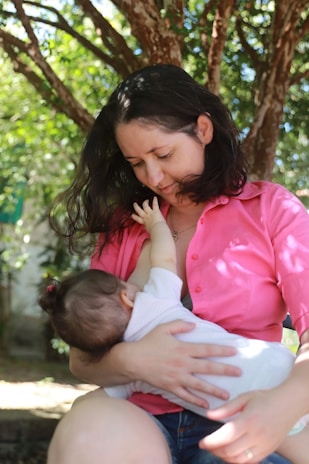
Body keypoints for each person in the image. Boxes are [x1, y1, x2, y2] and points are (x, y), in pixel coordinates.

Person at [47, 63, 309, 464]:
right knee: (87, 436)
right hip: (139, 418)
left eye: (163, 154)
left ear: (203, 130)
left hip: (245, 412)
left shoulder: (271, 209)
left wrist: (282, 406)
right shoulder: (125, 227)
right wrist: (133, 361)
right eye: (136, 162)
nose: (153, 176)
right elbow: (82, 359)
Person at [41, 197, 308, 463]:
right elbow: (164, 257)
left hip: (236, 405)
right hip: (268, 365)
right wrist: (157, 225)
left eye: (164, 153)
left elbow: (102, 389)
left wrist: (87, 402)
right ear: (126, 297)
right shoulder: (155, 300)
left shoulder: (130, 378)